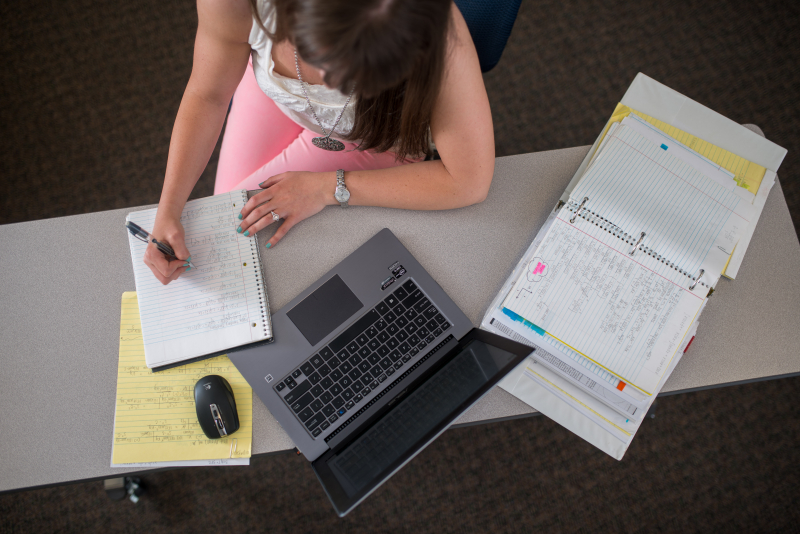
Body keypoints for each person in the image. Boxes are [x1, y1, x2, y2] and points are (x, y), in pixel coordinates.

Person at [144, 0, 494, 284]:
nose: (335, 82)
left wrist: (329, 187)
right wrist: (169, 208)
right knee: (224, 222)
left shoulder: (436, 26)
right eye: (327, 59)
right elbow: (208, 95)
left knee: (242, 245)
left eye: (360, 71)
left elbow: (469, 181)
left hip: (377, 134)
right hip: (277, 93)